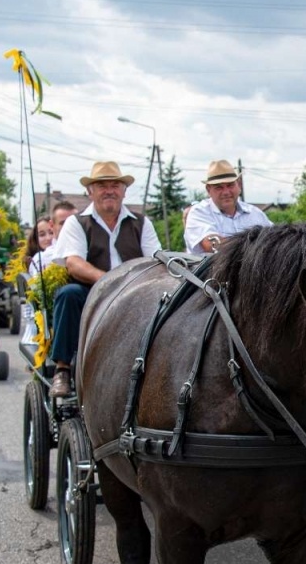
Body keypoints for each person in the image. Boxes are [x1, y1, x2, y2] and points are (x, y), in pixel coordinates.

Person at [45, 161, 161, 398]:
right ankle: (63, 369)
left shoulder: (141, 223)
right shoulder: (76, 223)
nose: (109, 190)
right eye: (102, 186)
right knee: (68, 294)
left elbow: (156, 261)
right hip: (91, 293)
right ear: (91, 191)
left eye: (115, 185)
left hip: (136, 293)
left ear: (124, 191)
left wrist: (133, 286)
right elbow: (74, 264)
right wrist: (111, 281)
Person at [183, 160, 271, 252]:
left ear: (239, 185)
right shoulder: (199, 212)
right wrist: (256, 244)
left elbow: (274, 240)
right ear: (208, 190)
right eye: (219, 187)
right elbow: (211, 245)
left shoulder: (255, 214)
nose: (226, 192)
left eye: (230, 185)